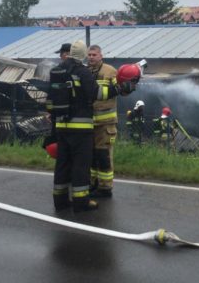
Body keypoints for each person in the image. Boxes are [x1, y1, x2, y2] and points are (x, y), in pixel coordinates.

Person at [46, 40, 107, 212]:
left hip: (61, 127)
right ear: (83, 55)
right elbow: (97, 93)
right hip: (81, 130)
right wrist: (118, 88)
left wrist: (57, 117)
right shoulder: (82, 71)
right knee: (81, 165)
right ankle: (81, 202)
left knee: (63, 164)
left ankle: (60, 201)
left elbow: (50, 102)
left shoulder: (57, 71)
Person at [87, 44, 135, 198]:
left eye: (94, 55)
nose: (91, 57)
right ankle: (93, 183)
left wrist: (127, 87)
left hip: (106, 123)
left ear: (101, 56)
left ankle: (105, 187)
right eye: (89, 55)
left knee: (104, 155)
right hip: (89, 123)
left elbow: (121, 90)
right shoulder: (85, 72)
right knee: (91, 155)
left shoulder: (110, 71)